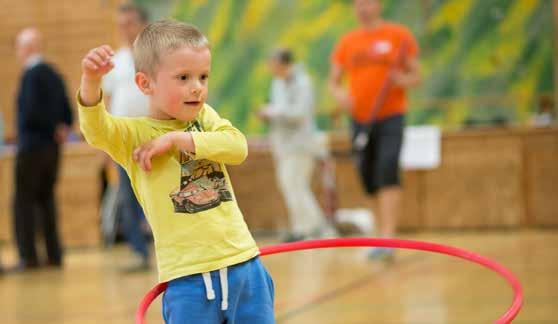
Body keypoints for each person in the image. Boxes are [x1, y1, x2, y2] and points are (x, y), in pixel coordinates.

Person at [78, 21, 274, 323]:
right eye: (183, 77)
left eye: (203, 76)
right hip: (188, 279)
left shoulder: (204, 117)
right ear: (145, 84)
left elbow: (237, 147)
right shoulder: (134, 136)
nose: (197, 86)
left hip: (245, 267)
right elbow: (95, 129)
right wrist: (91, 81)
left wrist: (177, 139)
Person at [329, 0, 421, 260]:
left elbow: (416, 75)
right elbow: (334, 81)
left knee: (387, 168)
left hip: (391, 115)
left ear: (378, 5)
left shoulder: (399, 36)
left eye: (367, 2)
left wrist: (401, 80)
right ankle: (380, 235)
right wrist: (341, 96)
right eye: (358, 4)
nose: (363, 8)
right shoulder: (348, 42)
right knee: (367, 175)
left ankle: (388, 237)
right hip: (360, 119)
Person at [259, 48, 335, 242]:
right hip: (283, 144)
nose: (272, 68)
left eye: (274, 64)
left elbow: (300, 113)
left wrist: (275, 112)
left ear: (283, 63)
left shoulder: (303, 82)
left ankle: (312, 227)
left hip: (301, 144)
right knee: (288, 185)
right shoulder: (277, 83)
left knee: (297, 184)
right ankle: (302, 227)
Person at [13, 28, 73, 270]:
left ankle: (28, 257)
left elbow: (30, 112)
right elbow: (67, 110)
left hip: (32, 147)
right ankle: (54, 254)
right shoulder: (54, 73)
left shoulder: (31, 75)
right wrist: (61, 128)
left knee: (24, 202)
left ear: (27, 48)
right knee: (46, 200)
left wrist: (47, 127)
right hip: (52, 149)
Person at [103, 3, 151, 271]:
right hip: (123, 140)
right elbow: (108, 100)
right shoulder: (116, 60)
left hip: (156, 136)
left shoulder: (156, 57)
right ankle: (139, 252)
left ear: (143, 24)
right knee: (127, 195)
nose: (125, 29)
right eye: (120, 24)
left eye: (130, 23)